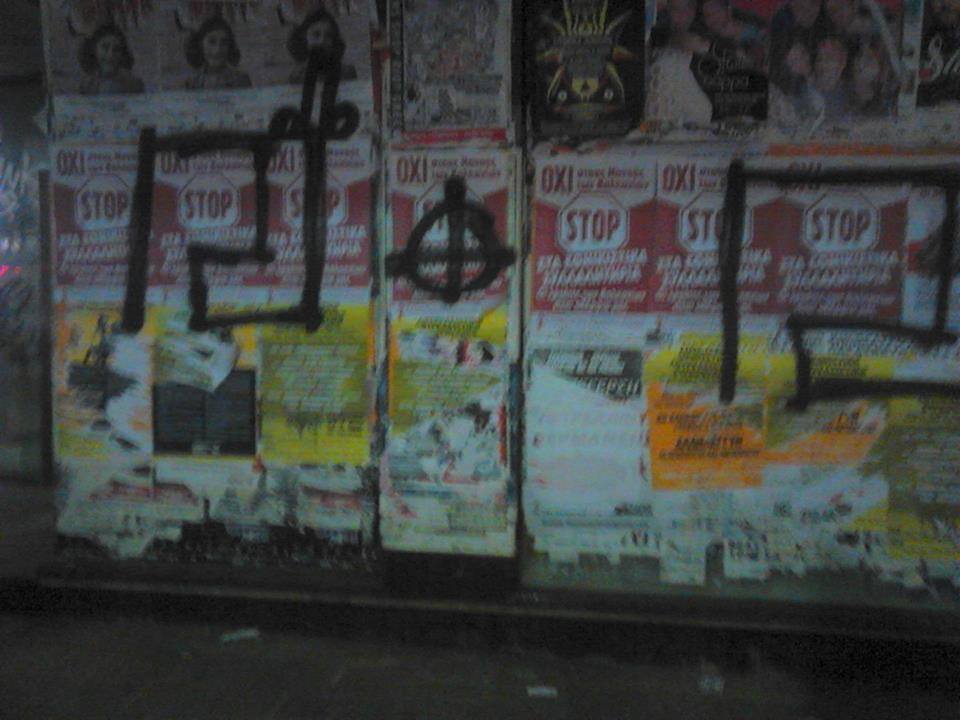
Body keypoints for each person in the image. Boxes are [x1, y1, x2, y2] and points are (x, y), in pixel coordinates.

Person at [286, 9, 358, 85]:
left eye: (328, 35)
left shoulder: (346, 73)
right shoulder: (297, 76)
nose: (322, 41)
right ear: (305, 39)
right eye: (316, 35)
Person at [184, 16, 252, 90]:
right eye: (212, 42)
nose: (218, 50)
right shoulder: (192, 81)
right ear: (201, 44)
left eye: (224, 43)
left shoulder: (240, 80)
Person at [78, 24, 145, 95]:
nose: (110, 55)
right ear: (94, 49)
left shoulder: (133, 84)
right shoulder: (87, 85)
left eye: (116, 49)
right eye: (105, 47)